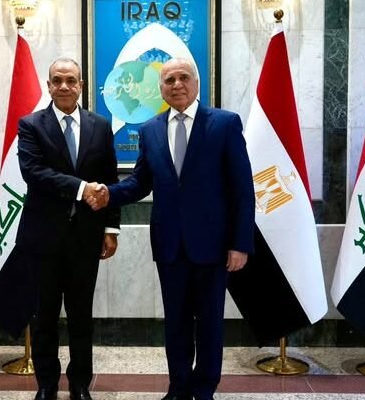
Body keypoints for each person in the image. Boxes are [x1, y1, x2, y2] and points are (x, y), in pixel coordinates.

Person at [87, 58, 254, 400]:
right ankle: (178, 387)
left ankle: (204, 389)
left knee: (209, 323)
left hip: (212, 246)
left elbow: (242, 189)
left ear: (196, 83)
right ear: (160, 88)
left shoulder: (225, 124)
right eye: (169, 80)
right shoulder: (150, 130)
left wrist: (240, 244)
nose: (177, 84)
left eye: (183, 78)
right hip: (169, 245)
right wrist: (108, 194)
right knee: (175, 322)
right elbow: (139, 182)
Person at [16, 57, 120, 400]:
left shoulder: (100, 126)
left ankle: (79, 383)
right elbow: (33, 173)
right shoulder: (31, 125)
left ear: (81, 85)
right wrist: (81, 188)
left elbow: (109, 178)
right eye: (57, 80)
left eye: (71, 80)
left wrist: (111, 228)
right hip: (42, 240)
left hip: (85, 240)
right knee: (43, 316)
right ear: (48, 86)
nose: (64, 86)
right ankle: (46, 384)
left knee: (81, 316)